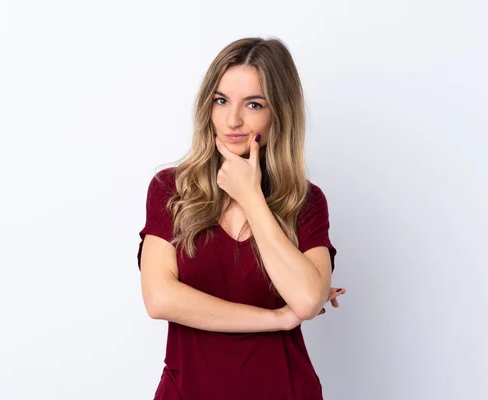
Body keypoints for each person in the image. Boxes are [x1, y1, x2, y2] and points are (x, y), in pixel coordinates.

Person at [137, 36, 346, 400]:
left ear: (278, 112)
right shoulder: (171, 189)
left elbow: (308, 300)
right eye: (221, 100)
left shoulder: (306, 202)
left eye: (253, 104)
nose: (232, 119)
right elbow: (159, 298)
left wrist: (251, 198)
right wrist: (278, 318)